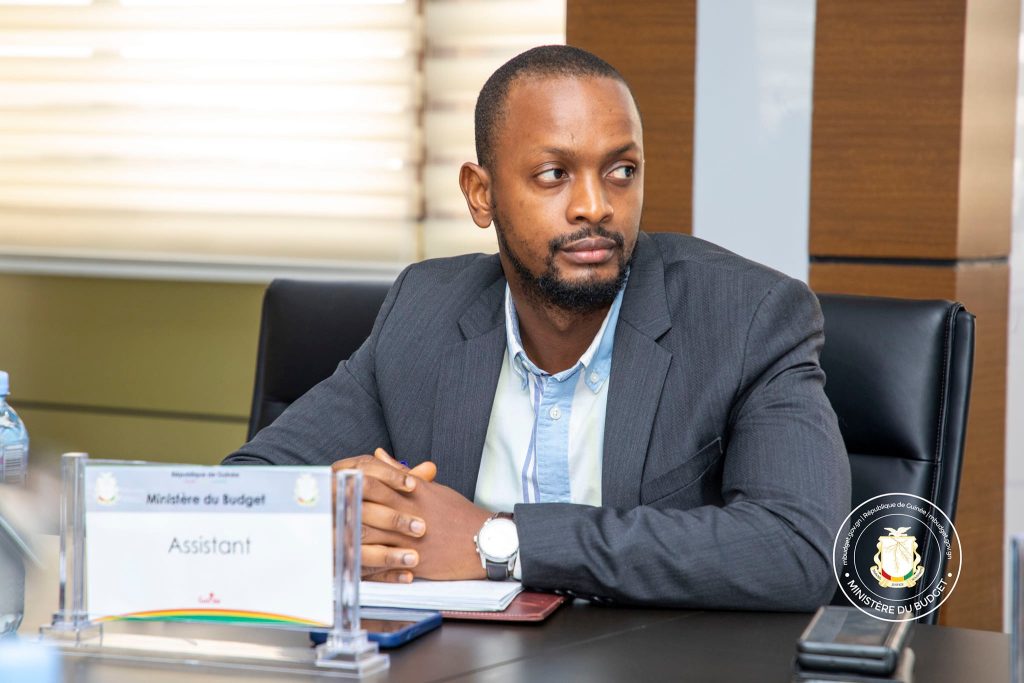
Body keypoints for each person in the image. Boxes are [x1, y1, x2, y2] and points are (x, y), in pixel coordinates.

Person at [224, 45, 850, 611]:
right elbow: (243, 491)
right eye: (554, 174)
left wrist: (498, 541)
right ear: (481, 195)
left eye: (621, 171)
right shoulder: (424, 311)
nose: (595, 205)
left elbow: (802, 548)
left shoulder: (748, 317)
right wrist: (328, 512)